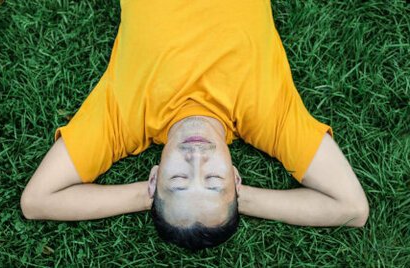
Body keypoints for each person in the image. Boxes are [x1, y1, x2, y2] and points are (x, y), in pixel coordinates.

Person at [20, 0, 369, 250]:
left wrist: (152, 197)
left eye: (179, 179)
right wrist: (235, 199)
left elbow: (36, 201)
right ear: (236, 179)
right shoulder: (270, 118)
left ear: (154, 178)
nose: (197, 159)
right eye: (214, 180)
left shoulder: (123, 121)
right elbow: (352, 209)